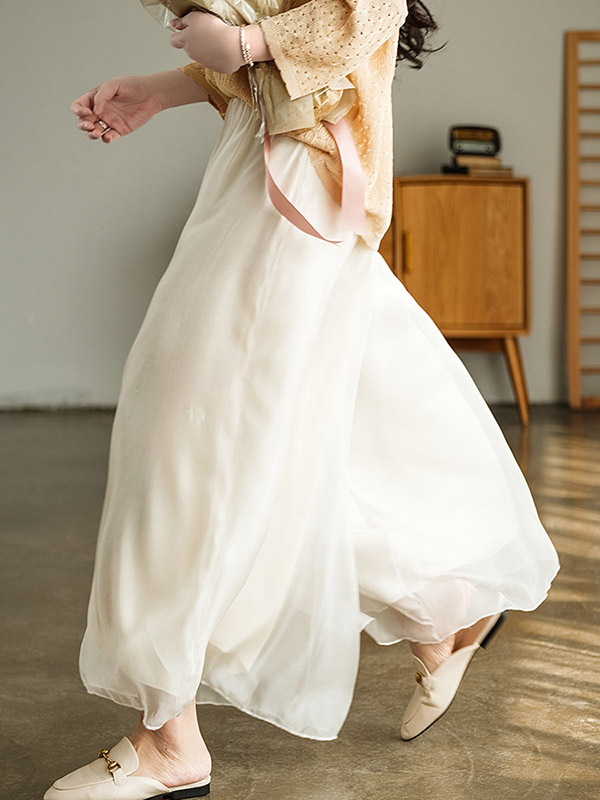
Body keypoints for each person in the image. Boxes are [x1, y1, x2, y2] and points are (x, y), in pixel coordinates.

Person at [44, 2, 560, 798]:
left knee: (189, 436)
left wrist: (247, 40)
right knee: (304, 430)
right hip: (270, 164)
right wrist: (167, 86)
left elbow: (365, 9)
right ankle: (443, 607)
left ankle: (166, 740)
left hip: (301, 176)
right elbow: (271, 48)